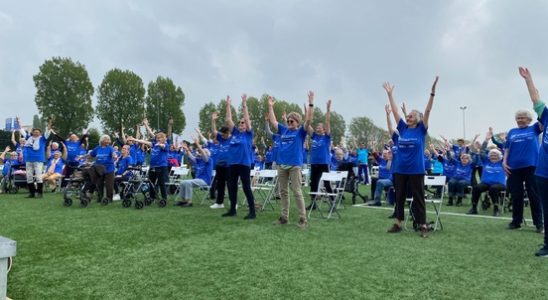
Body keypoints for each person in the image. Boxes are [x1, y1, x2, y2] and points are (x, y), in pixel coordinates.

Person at [383, 76, 439, 238]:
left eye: (412, 116)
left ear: (419, 119)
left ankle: (422, 225)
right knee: (399, 197)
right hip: (400, 169)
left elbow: (428, 111)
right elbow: (395, 112)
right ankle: (398, 223)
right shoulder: (403, 129)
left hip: (416, 170)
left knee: (418, 198)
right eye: (408, 116)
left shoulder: (421, 130)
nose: (408, 118)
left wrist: (432, 92)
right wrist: (390, 95)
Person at [267, 92, 312, 228]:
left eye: (291, 121)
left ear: (297, 122)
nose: (289, 123)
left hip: (295, 166)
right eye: (288, 121)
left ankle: (303, 219)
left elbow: (309, 120)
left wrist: (311, 103)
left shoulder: (300, 132)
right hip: (282, 165)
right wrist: (270, 107)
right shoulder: (284, 130)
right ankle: (284, 217)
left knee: (297, 191)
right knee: (283, 192)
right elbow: (273, 121)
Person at [518, 66, 548, 256]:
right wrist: (528, 79)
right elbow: (536, 100)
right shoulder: (546, 116)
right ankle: (547, 245)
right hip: (543, 172)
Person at [502, 104, 543, 232]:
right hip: (513, 168)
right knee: (516, 195)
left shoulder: (535, 128)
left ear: (529, 119)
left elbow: (543, 118)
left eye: (523, 118)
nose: (520, 120)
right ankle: (516, 221)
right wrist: (504, 161)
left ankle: (539, 224)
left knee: (534, 195)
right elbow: (507, 148)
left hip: (532, 167)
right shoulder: (512, 132)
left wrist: (537, 102)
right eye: (518, 118)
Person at [222, 94, 256, 219]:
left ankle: (252, 212)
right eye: (240, 123)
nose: (241, 124)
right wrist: (228, 105)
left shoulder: (248, 134)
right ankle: (232, 210)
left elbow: (247, 118)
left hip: (244, 164)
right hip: (233, 164)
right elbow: (228, 119)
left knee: (246, 188)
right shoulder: (235, 133)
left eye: (243, 123)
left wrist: (244, 104)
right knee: (232, 187)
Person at [128, 126, 170, 206]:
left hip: (161, 166)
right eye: (157, 138)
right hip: (153, 166)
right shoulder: (154, 144)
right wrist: (134, 139)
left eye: (159, 138)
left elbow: (163, 146)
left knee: (161, 183)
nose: (158, 139)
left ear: (164, 138)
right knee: (151, 183)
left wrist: (160, 144)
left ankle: (164, 198)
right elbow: (144, 141)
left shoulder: (166, 145)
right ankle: (152, 197)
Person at [306, 99, 333, 210]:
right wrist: (307, 114)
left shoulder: (326, 137)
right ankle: (313, 204)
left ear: (324, 129)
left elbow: (327, 122)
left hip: (323, 163)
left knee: (326, 184)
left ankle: (332, 203)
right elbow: (307, 126)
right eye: (316, 128)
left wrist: (327, 109)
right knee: (313, 183)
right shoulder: (314, 137)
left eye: (320, 128)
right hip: (314, 163)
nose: (317, 129)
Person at [175, 137, 214, 207]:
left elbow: (204, 155)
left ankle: (189, 201)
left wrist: (197, 144)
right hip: (198, 179)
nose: (200, 153)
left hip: (205, 181)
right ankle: (183, 200)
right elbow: (191, 156)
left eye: (202, 152)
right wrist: (186, 149)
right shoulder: (199, 160)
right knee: (182, 182)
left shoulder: (209, 160)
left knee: (187, 183)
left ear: (207, 154)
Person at [467, 148, 506, 216]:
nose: (493, 156)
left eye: (495, 155)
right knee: (476, 188)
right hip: (486, 184)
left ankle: (496, 209)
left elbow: (505, 152)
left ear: (499, 156)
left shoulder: (502, 162)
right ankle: (474, 208)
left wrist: (503, 141)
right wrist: (486, 140)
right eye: (491, 155)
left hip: (499, 184)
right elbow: (482, 152)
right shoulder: (486, 161)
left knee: (493, 188)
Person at [19, 117, 52, 198]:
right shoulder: (28, 138)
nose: (36, 133)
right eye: (34, 132)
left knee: (38, 177)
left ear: (40, 133)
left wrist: (50, 122)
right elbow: (21, 129)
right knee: (29, 177)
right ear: (32, 132)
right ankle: (32, 193)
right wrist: (18, 121)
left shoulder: (43, 139)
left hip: (38, 160)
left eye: (37, 132)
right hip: (29, 160)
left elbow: (48, 130)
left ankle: (40, 193)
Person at [209, 111, 231, 209]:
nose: (221, 136)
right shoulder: (221, 138)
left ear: (228, 133)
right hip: (220, 165)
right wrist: (213, 120)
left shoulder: (232, 139)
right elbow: (214, 131)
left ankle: (233, 202)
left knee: (230, 184)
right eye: (221, 134)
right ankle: (219, 203)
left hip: (229, 166)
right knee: (220, 184)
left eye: (223, 134)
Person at [89, 135, 117, 203]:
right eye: (106, 139)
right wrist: (82, 157)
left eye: (108, 140)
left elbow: (113, 154)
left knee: (109, 185)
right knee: (99, 184)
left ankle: (109, 199)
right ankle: (99, 198)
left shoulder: (110, 148)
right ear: (102, 140)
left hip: (109, 169)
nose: (108, 141)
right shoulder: (97, 148)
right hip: (99, 169)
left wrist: (115, 156)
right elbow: (90, 154)